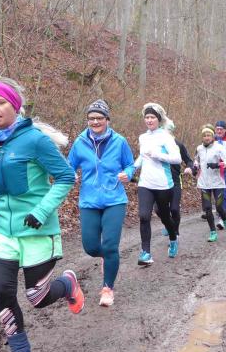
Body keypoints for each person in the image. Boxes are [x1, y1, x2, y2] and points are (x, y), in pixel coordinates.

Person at [0, 77, 83, 352]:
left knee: (37, 296)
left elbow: (65, 177)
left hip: (37, 231)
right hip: (2, 232)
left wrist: (41, 210)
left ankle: (68, 284)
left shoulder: (35, 141)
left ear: (15, 106)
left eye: (0, 102)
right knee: (2, 292)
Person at [68, 99, 134, 307]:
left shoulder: (119, 141)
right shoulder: (80, 142)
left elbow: (130, 164)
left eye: (99, 118)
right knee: (90, 247)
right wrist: (71, 175)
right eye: (91, 118)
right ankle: (108, 256)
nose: (95, 122)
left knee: (110, 245)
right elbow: (69, 165)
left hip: (114, 199)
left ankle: (107, 289)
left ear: (107, 119)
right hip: (89, 200)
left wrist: (128, 174)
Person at [133, 103, 181, 265]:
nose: (149, 120)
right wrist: (132, 169)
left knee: (165, 216)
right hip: (145, 183)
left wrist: (158, 155)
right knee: (144, 216)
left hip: (163, 184)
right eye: (146, 117)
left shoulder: (166, 137)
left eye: (152, 117)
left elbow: (177, 159)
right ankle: (146, 253)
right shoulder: (143, 137)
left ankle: (173, 238)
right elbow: (142, 157)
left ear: (158, 119)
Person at [194, 125, 226, 241]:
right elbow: (196, 160)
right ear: (202, 137)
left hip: (217, 182)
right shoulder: (199, 148)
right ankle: (213, 232)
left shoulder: (219, 148)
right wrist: (195, 167)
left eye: (209, 135)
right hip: (204, 183)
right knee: (207, 208)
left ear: (213, 137)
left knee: (219, 206)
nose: (207, 138)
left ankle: (225, 219)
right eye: (204, 136)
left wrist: (218, 165)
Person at [160, 120, 194, 237]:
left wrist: (189, 167)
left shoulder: (178, 144)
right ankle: (168, 224)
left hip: (175, 181)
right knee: (159, 210)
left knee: (174, 209)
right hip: (160, 182)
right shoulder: (156, 144)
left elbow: (189, 161)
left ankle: (175, 233)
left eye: (168, 131)